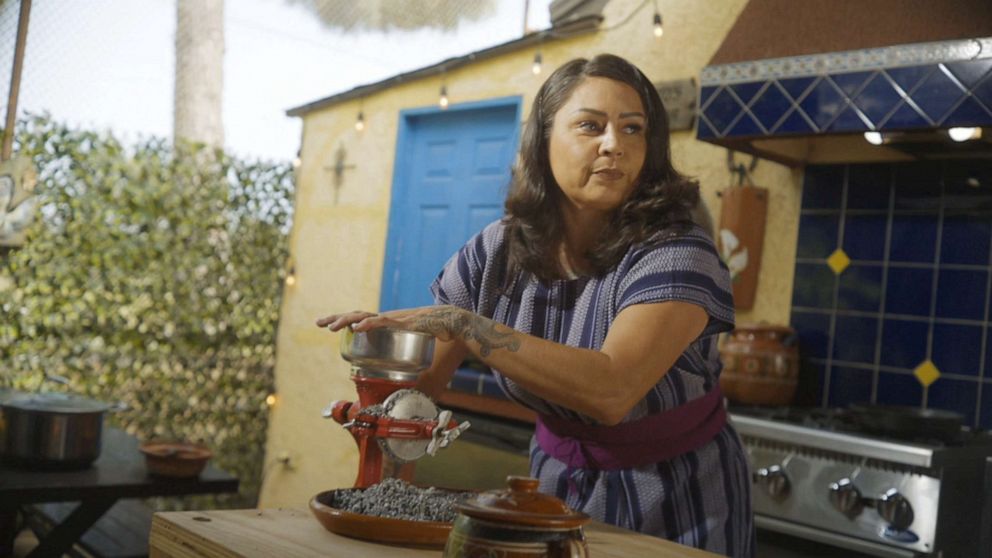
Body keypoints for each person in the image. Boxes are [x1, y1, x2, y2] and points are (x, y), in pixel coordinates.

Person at [318, 53, 754, 557]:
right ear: (543, 140)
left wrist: (462, 323)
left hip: (677, 496)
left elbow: (611, 390)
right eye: (590, 126)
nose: (614, 144)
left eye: (633, 130)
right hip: (550, 487)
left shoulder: (679, 252)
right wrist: (380, 372)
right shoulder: (496, 248)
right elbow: (423, 389)